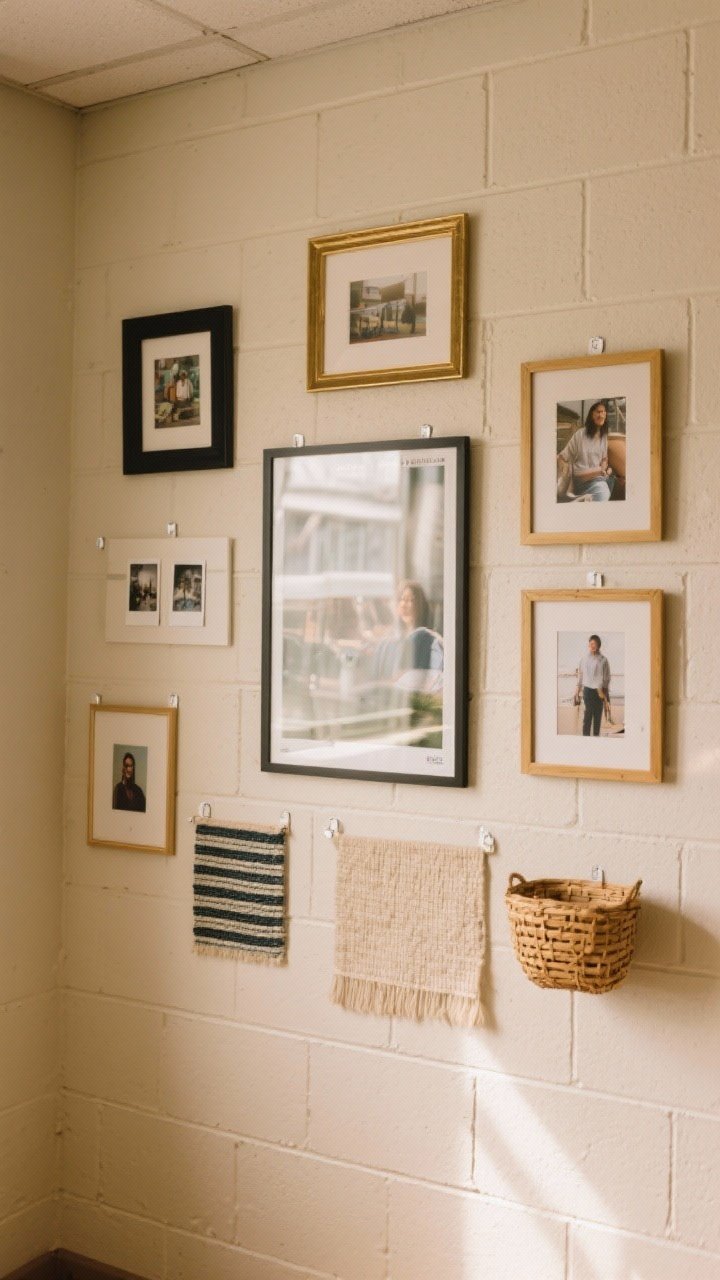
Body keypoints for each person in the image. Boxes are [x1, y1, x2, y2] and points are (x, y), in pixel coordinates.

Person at [558, 400, 616, 501]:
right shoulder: (580, 435)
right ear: (591, 414)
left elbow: (604, 458)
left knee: (611, 482)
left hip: (598, 478)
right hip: (581, 479)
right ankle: (581, 498)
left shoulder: (603, 437)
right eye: (598, 412)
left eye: (603, 412)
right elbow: (564, 455)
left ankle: (585, 499)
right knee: (603, 492)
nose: (601, 415)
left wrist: (605, 468)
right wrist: (562, 468)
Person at [575, 635, 611, 736]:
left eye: (595, 644)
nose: (592, 646)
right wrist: (577, 691)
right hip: (587, 691)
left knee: (597, 718)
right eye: (591, 644)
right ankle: (585, 740)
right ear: (589, 645)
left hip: (599, 692)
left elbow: (607, 678)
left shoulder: (603, 660)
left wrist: (606, 696)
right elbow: (580, 676)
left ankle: (596, 740)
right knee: (587, 718)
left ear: (599, 645)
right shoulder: (584, 659)